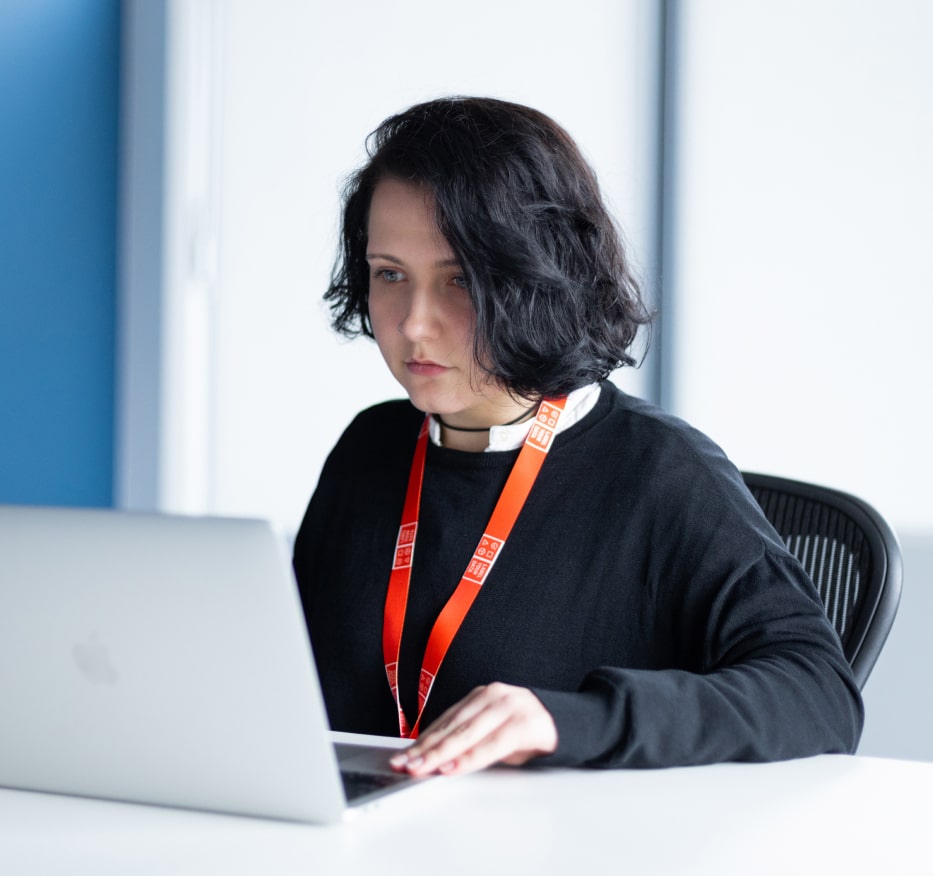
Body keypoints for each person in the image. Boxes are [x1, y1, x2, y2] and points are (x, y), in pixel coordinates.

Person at [292, 96, 862, 778]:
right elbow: (290, 683)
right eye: (390, 275)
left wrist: (569, 719)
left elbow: (819, 695)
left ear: (536, 276)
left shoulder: (659, 471)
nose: (414, 324)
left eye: (459, 281)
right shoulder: (371, 447)